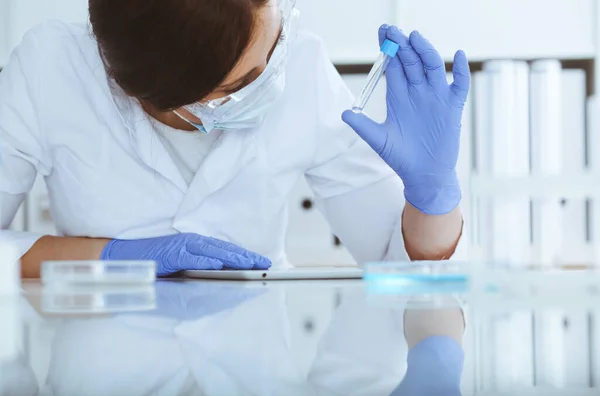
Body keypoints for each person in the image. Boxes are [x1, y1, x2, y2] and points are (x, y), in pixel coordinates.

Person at [0, 0, 470, 278]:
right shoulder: (52, 68)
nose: (271, 81)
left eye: (274, 47)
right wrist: (109, 258)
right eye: (238, 85)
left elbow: (399, 267)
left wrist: (432, 198)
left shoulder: (302, 64)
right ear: (155, 92)